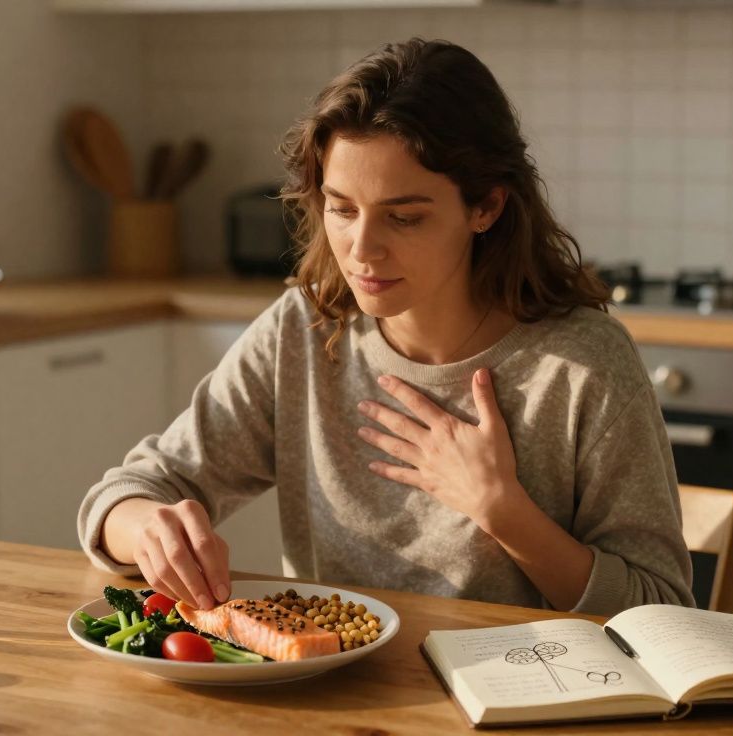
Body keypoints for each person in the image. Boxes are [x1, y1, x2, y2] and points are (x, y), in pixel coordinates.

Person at [78, 38, 694, 618]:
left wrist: (502, 510)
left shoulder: (582, 365)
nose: (361, 250)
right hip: (330, 701)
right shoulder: (304, 331)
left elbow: (661, 611)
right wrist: (147, 528)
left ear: (487, 207)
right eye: (342, 209)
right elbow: (132, 490)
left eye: (403, 218)